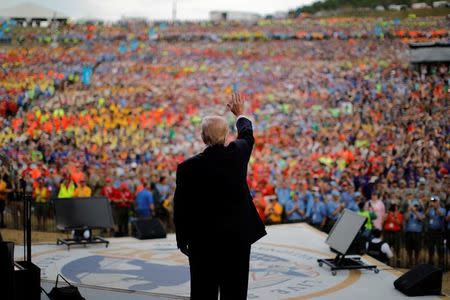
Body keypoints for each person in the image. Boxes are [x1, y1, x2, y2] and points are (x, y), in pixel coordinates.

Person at [173, 93, 266, 299]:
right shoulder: (238, 153)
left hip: (202, 242)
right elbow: (247, 135)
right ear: (226, 137)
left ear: (203, 138)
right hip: (237, 239)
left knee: (202, 291)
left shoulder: (187, 167)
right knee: (235, 291)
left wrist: (182, 240)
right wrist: (239, 114)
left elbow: (181, 208)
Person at [425, 196, 446, 266]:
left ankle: (441, 264)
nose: (433, 203)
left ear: (438, 202)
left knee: (440, 248)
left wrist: (436, 207)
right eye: (432, 201)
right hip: (431, 231)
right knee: (431, 248)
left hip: (439, 231)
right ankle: (430, 264)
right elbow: (426, 215)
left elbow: (442, 215)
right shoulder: (430, 210)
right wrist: (429, 207)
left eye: (435, 201)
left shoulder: (442, 209)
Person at [404, 200, 425, 267]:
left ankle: (416, 262)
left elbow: (421, 218)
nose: (414, 207)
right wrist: (409, 211)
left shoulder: (421, 213)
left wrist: (415, 211)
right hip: (409, 232)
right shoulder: (408, 212)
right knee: (409, 248)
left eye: (416, 206)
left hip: (417, 233)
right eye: (414, 206)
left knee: (417, 249)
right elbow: (406, 218)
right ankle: (410, 261)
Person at [383, 202, 403, 267]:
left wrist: (395, 216)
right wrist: (388, 214)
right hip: (388, 233)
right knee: (387, 246)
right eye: (393, 207)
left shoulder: (399, 214)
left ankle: (398, 260)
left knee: (397, 247)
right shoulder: (388, 214)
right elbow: (383, 221)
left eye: (396, 207)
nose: (394, 208)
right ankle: (387, 261)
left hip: (396, 233)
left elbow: (399, 223)